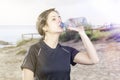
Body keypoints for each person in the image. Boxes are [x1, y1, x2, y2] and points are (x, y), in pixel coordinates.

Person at [21, 8, 99, 80]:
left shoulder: (67, 51)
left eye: (59, 17)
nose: (59, 20)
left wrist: (82, 33)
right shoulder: (35, 50)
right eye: (54, 19)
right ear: (45, 27)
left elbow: (93, 60)